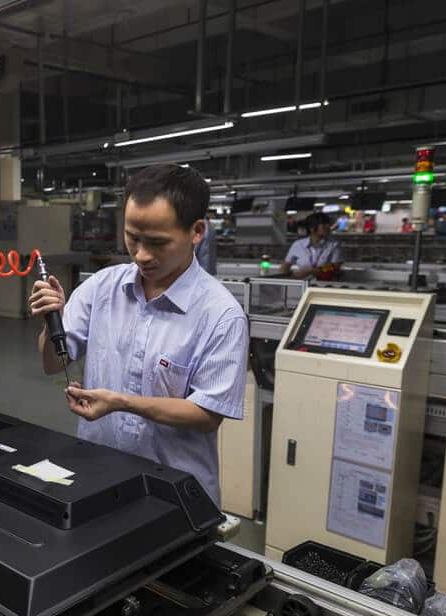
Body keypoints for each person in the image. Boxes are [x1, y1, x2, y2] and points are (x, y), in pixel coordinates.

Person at [28, 164, 248, 505]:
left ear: (197, 231)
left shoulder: (221, 315)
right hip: (99, 479)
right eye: (133, 237)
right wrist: (49, 321)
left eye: (158, 242)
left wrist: (122, 403)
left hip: (177, 496)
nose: (142, 255)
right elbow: (54, 364)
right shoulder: (102, 287)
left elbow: (207, 415)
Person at [279, 212, 342, 280]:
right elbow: (285, 267)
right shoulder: (298, 245)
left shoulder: (333, 245)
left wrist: (310, 271)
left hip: (323, 285)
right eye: (324, 224)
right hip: (301, 284)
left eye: (328, 224)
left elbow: (335, 266)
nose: (328, 227)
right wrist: (289, 278)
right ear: (312, 228)